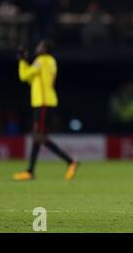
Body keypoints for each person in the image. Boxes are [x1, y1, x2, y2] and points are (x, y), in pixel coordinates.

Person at [13, 40, 79, 181]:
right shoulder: (50, 62)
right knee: (38, 138)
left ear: (45, 49)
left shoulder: (41, 60)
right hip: (48, 102)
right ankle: (30, 171)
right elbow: (33, 80)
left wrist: (22, 61)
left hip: (42, 103)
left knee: (38, 136)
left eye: (40, 45)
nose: (37, 47)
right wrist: (24, 61)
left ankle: (70, 161)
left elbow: (24, 76)